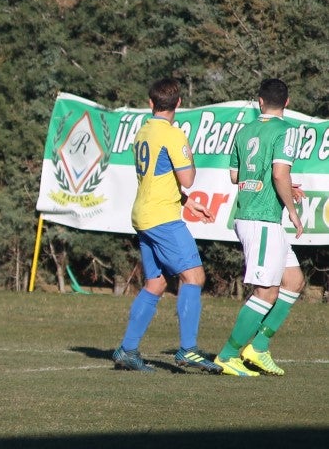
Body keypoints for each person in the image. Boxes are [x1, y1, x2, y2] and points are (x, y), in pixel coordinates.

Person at [112, 78, 221, 373]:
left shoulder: (143, 132)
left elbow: (157, 179)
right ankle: (188, 350)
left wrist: (186, 203)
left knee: (156, 283)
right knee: (195, 277)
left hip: (144, 215)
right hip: (162, 218)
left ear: (151, 103)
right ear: (178, 104)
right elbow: (187, 179)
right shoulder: (173, 135)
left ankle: (127, 349)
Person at [213, 78, 305, 377]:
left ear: (260, 101)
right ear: (287, 103)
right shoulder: (286, 130)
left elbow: (234, 175)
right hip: (262, 218)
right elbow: (280, 172)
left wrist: (285, 188)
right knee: (266, 293)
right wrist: (291, 209)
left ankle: (259, 347)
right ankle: (228, 354)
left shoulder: (245, 130)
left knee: (293, 281)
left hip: (254, 214)